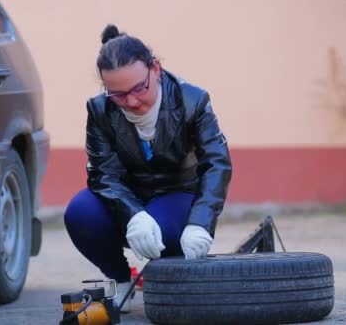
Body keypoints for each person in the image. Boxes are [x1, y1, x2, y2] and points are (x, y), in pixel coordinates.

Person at [64, 24, 232, 312]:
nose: (131, 102)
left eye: (139, 88)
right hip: (126, 196)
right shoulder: (100, 109)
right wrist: (134, 215)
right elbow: (103, 173)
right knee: (80, 213)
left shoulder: (193, 100)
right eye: (117, 94)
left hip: (176, 194)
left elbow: (216, 163)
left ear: (155, 68)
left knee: (167, 235)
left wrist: (201, 222)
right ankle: (120, 279)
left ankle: (168, 278)